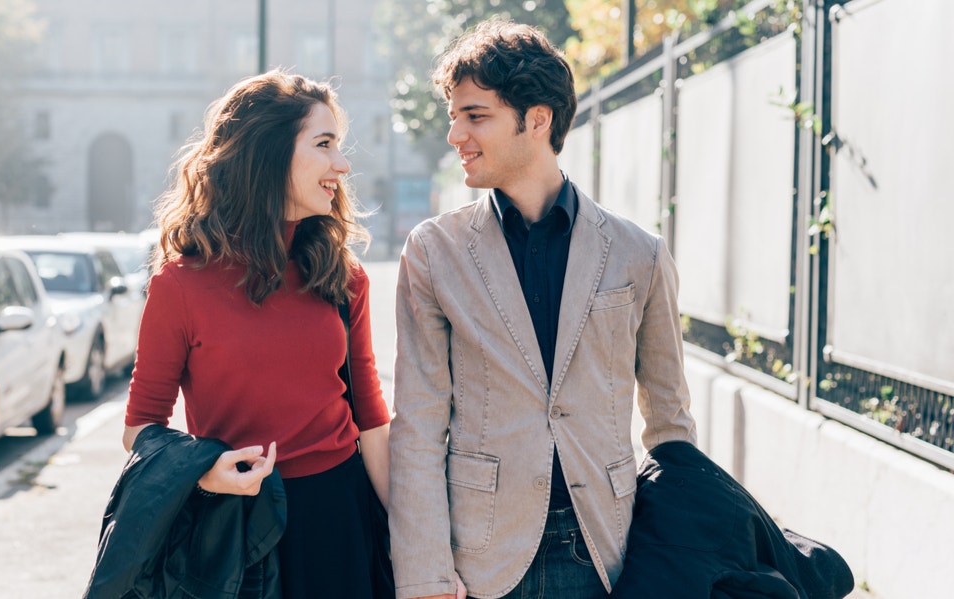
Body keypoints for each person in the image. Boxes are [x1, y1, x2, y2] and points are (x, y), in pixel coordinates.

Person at [388, 19, 697, 599]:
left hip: (608, 551)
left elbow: (671, 426)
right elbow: (419, 426)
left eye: (475, 116)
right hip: (482, 555)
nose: (455, 134)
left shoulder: (640, 254)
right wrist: (425, 573)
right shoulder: (434, 252)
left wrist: (675, 559)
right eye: (453, 116)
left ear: (537, 119)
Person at [121, 69, 391, 598]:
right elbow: (140, 427)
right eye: (324, 143)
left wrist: (411, 541)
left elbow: (372, 422)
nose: (342, 163)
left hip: (339, 519)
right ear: (268, 152)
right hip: (233, 531)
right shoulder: (180, 285)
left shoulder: (343, 277)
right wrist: (205, 473)